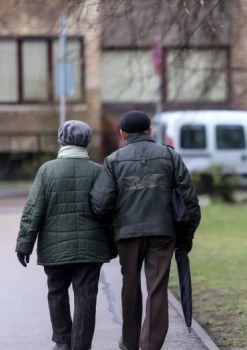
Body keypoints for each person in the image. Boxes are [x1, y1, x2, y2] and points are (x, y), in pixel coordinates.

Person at [90, 110, 201, 350]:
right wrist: (187, 234)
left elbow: (100, 204)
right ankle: (150, 344)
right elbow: (189, 199)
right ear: (149, 130)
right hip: (163, 232)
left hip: (127, 234)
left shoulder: (113, 160)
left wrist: (112, 226)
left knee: (130, 285)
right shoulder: (170, 157)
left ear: (123, 134)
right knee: (157, 287)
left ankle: (129, 342)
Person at [15, 120, 115, 350]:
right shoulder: (99, 171)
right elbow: (109, 212)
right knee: (86, 296)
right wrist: (110, 246)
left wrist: (24, 244)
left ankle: (62, 342)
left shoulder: (47, 171)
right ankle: (81, 345)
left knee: (56, 292)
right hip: (91, 249)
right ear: (87, 142)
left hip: (54, 247)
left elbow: (33, 210)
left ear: (61, 140)